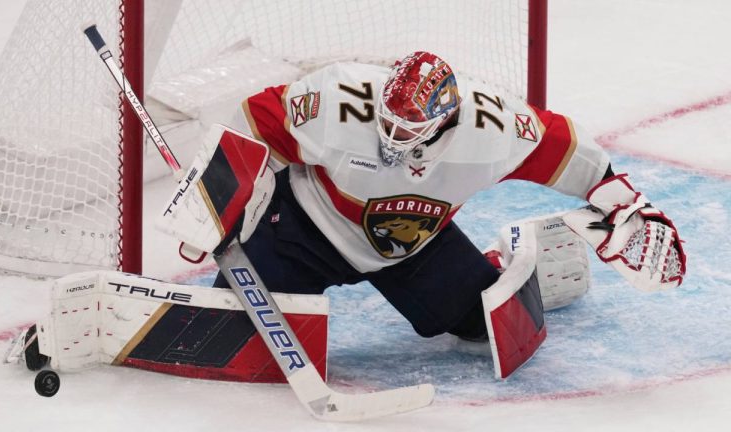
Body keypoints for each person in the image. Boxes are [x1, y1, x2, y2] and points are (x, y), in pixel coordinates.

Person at [211, 50, 687, 341]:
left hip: (414, 250)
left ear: (445, 119)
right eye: (389, 122)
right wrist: (220, 199)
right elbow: (254, 123)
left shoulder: (493, 130)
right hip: (304, 230)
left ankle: (509, 258)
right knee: (235, 333)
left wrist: (618, 196)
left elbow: (563, 145)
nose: (394, 136)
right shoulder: (338, 99)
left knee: (487, 328)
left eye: (410, 128)